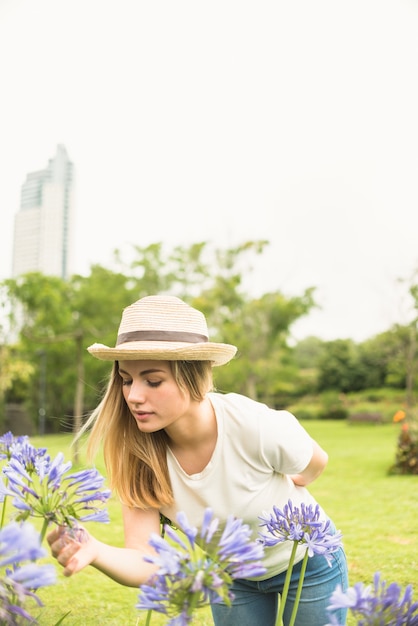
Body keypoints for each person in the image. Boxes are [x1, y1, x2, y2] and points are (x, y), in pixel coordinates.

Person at [48, 295, 348, 626]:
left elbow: (315, 462)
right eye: (127, 379)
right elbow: (146, 561)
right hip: (233, 576)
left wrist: (289, 488)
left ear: (196, 379)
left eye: (153, 380)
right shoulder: (139, 456)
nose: (133, 395)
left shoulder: (254, 425)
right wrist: (95, 551)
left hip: (308, 563)